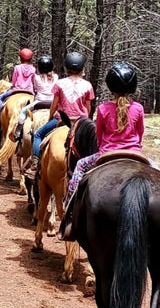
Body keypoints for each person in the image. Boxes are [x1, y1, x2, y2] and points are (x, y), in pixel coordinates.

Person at [61, 61, 153, 232]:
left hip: (107, 153)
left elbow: (99, 137)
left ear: (111, 86)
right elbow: (140, 134)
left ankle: (69, 207)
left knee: (80, 166)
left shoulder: (103, 108)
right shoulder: (139, 108)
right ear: (133, 86)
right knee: (157, 172)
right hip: (134, 153)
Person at [27, 50, 94, 171]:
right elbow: (88, 107)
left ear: (67, 67)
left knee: (38, 134)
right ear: (81, 68)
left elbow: (54, 104)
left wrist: (50, 117)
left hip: (62, 120)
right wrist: (85, 120)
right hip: (80, 121)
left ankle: (35, 164)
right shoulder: (88, 85)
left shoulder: (60, 83)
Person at [0, 47, 36, 119]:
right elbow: (34, 81)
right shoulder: (33, 69)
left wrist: (13, 85)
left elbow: (14, 81)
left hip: (17, 90)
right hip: (30, 91)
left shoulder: (17, 67)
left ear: (21, 58)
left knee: (1, 97)